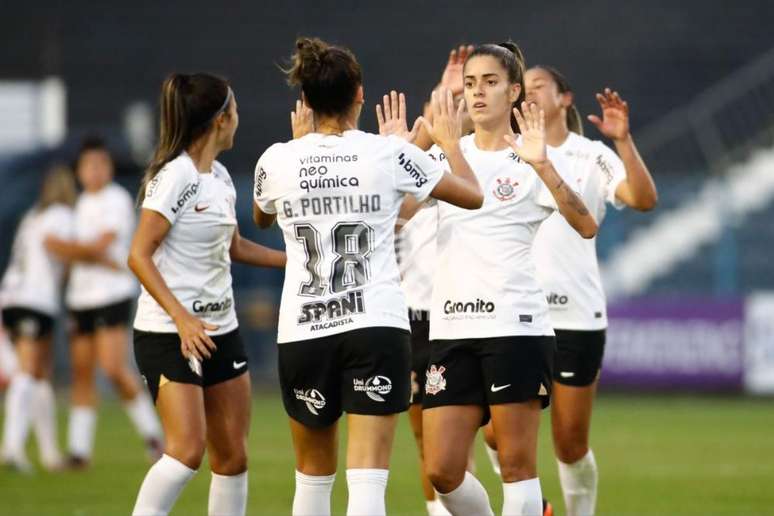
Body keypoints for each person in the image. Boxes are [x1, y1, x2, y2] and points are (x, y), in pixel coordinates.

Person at [253, 37, 483, 516]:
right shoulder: (384, 154)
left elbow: (261, 217)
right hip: (374, 326)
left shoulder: (276, 159)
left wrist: (302, 155)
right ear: (359, 93)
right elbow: (471, 196)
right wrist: (440, 140)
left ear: (307, 101)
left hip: (304, 329)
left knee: (312, 481)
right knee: (367, 482)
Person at [418, 42, 598, 516]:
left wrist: (543, 164)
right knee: (441, 471)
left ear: (514, 91)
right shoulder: (445, 155)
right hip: (452, 330)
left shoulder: (529, 158)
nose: (477, 92)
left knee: (518, 467)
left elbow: (585, 224)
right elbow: (396, 216)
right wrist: (418, 145)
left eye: (491, 82)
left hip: (515, 328)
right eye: (471, 83)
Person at [128, 73, 285, 516]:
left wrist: (291, 262)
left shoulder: (218, 175)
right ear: (221, 119)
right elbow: (138, 255)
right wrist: (181, 319)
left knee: (233, 456)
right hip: (169, 333)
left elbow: (233, 247)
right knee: (185, 453)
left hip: (223, 329)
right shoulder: (174, 176)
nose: (239, 119)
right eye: (234, 110)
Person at [524, 66, 656, 516]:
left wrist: (622, 139)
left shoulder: (591, 156)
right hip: (518, 315)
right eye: (523, 88)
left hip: (577, 317)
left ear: (565, 98)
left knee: (569, 443)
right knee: (495, 433)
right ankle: (537, 507)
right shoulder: (510, 151)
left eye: (539, 85)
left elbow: (642, 199)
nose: (530, 93)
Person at [60, 138, 162, 468]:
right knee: (82, 372)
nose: (96, 171)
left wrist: (73, 250)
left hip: (111, 293)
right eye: (89, 165)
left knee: (114, 367)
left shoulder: (116, 199)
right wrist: (84, 253)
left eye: (102, 164)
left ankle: (153, 436)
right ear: (79, 171)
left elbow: (98, 246)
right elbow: (84, 252)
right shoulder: (77, 205)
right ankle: (79, 451)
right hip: (80, 296)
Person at [0, 165, 78, 472]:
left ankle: (49, 454)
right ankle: (12, 447)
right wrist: (96, 254)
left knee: (40, 375)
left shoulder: (33, 216)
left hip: (18, 296)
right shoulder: (61, 216)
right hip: (32, 299)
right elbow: (57, 247)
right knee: (28, 371)